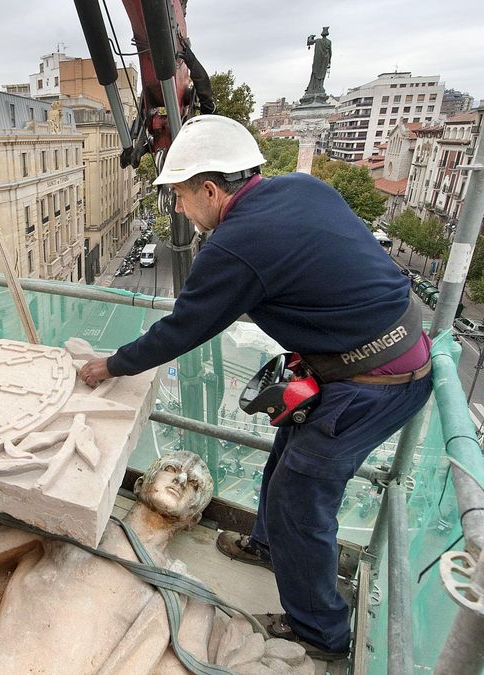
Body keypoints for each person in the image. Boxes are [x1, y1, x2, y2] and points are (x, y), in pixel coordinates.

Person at [78, 115, 432, 660]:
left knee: (301, 500)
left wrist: (111, 366)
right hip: (380, 358)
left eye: (179, 195)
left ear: (212, 190)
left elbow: (182, 330)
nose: (177, 208)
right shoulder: (302, 187)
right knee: (285, 457)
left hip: (371, 382)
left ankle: (321, 633)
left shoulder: (235, 246)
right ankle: (268, 546)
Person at [0, 452, 314, 674]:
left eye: (194, 485)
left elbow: (187, 668)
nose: (183, 478)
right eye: (173, 468)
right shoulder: (73, 530)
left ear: (193, 518)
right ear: (144, 479)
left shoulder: (184, 594)